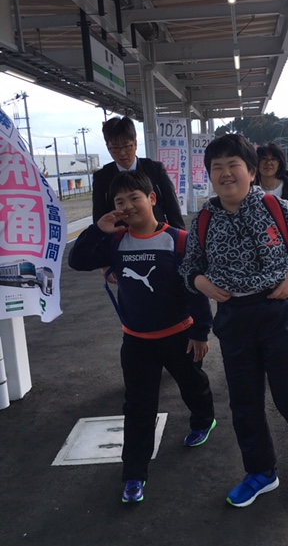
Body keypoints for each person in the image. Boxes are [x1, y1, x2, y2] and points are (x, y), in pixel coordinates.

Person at [179, 134, 288, 508]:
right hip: (234, 319)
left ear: (250, 172)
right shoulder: (204, 219)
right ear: (209, 175)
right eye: (217, 167)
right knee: (244, 404)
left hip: (280, 315)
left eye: (233, 165)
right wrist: (200, 282)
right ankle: (261, 473)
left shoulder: (275, 207)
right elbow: (188, 266)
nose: (225, 173)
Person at [69, 170, 216, 504]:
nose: (127, 206)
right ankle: (134, 474)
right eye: (120, 201)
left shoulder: (178, 240)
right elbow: (77, 261)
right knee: (138, 407)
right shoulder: (115, 241)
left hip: (179, 336)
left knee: (193, 385)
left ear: (152, 199)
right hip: (136, 342)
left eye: (134, 198)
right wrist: (97, 229)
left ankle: (204, 420)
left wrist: (200, 332)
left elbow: (196, 290)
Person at [93, 115, 185, 229]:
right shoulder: (102, 177)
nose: (122, 153)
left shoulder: (155, 169)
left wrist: (180, 236)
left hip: (156, 233)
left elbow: (172, 207)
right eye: (115, 148)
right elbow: (99, 216)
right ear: (108, 148)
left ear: (135, 144)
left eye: (127, 146)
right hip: (120, 236)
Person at [256, 141, 288, 209]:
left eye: (273, 159)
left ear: (280, 164)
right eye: (264, 159)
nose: (268, 163)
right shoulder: (249, 187)